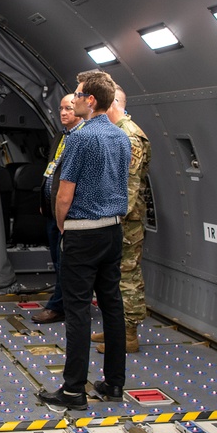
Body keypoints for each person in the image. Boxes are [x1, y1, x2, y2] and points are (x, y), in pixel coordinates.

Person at [36, 71, 130, 410]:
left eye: (77, 94)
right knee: (111, 306)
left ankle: (73, 390)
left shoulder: (80, 138)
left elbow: (64, 193)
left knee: (76, 310)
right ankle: (114, 383)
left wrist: (62, 226)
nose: (73, 100)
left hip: (82, 232)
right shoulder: (122, 138)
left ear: (90, 100)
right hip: (113, 231)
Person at [94, 85, 152, 352]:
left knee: (127, 276)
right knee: (112, 276)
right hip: (115, 218)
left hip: (125, 221)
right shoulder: (117, 133)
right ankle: (114, 329)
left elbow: (128, 186)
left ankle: (128, 335)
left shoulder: (129, 136)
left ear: (114, 103)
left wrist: (111, 219)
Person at [31, 92, 86, 323]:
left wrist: (63, 212)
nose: (63, 113)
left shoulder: (83, 139)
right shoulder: (61, 136)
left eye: (69, 109)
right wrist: (46, 203)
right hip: (53, 212)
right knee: (57, 261)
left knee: (66, 263)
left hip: (69, 214)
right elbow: (51, 170)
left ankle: (59, 306)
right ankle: (63, 303)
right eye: (61, 108)